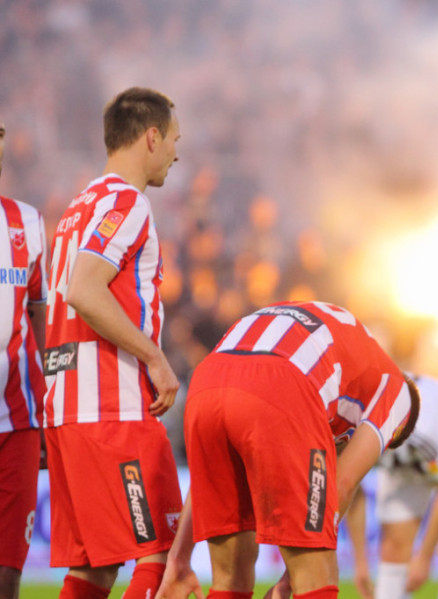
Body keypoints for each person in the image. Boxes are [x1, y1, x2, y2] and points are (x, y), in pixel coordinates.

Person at [156, 300, 420, 599]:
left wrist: (179, 557)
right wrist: (291, 577)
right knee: (317, 575)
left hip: (207, 379)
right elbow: (342, 483)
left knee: (230, 577)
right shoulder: (399, 393)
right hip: (281, 381)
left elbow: (206, 482)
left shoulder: (348, 346)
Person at [43, 87, 184, 599]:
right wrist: (155, 358)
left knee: (93, 570)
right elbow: (84, 291)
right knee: (163, 555)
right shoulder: (126, 202)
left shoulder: (80, 206)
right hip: (111, 406)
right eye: (174, 140)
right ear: (152, 137)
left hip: (67, 407)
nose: (176, 153)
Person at [346, 374, 438, 599]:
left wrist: (425, 557)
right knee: (394, 545)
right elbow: (350, 489)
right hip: (400, 446)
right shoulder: (350, 430)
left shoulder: (423, 434)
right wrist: (360, 563)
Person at [0, 118, 48, 599]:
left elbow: (38, 314)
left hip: (18, 418)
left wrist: (47, 402)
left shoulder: (28, 223)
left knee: (8, 570)